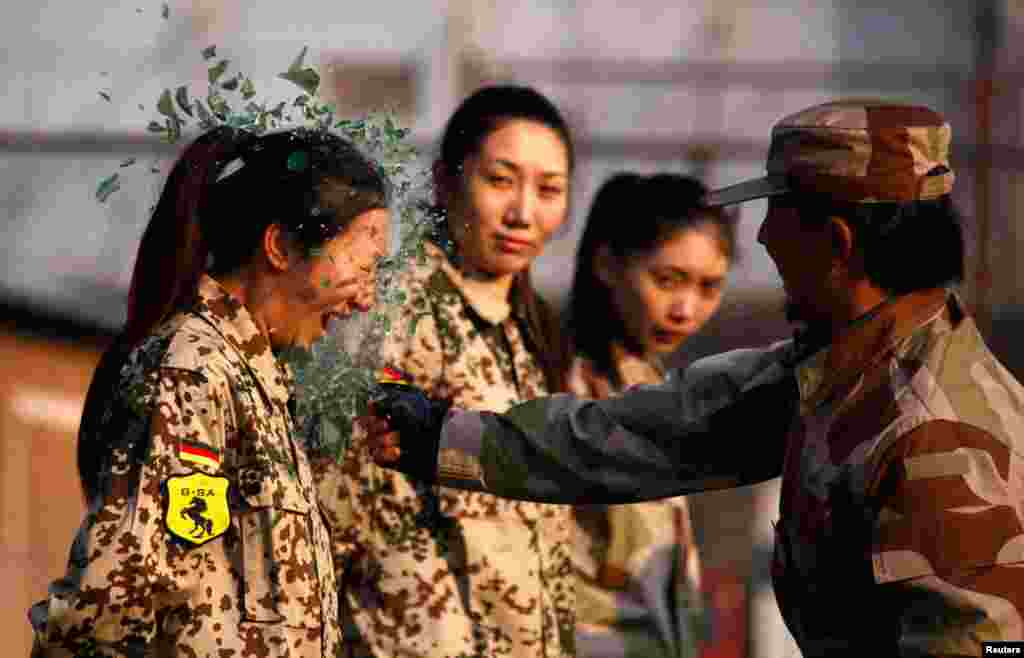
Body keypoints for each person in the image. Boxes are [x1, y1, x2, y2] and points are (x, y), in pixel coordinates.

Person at [366, 99, 1024, 655]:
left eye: (780, 217)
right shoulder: (838, 370)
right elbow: (655, 430)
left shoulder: (937, 436)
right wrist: (446, 438)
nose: (762, 240)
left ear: (837, 243)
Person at [29, 125, 391, 658]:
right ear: (282, 247)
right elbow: (107, 603)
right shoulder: (193, 369)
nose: (366, 299)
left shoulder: (252, 376)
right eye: (361, 267)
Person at [311, 85, 576, 658]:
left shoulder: (529, 330)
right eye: (500, 181)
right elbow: (323, 505)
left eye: (549, 190)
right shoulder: (386, 312)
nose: (523, 213)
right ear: (445, 181)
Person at [565, 173, 734, 658]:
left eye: (709, 287)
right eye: (667, 280)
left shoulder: (653, 388)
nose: (686, 308)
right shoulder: (565, 389)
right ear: (607, 264)